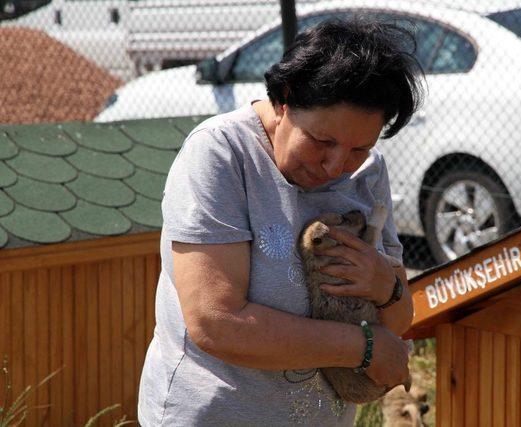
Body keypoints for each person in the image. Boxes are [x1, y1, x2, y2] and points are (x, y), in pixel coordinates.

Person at [138, 17, 424, 426]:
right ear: (285, 98)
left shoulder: (369, 172)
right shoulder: (221, 154)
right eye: (322, 142)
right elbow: (216, 323)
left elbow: (397, 321)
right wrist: (360, 346)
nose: (336, 166)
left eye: (358, 148)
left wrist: (386, 285)